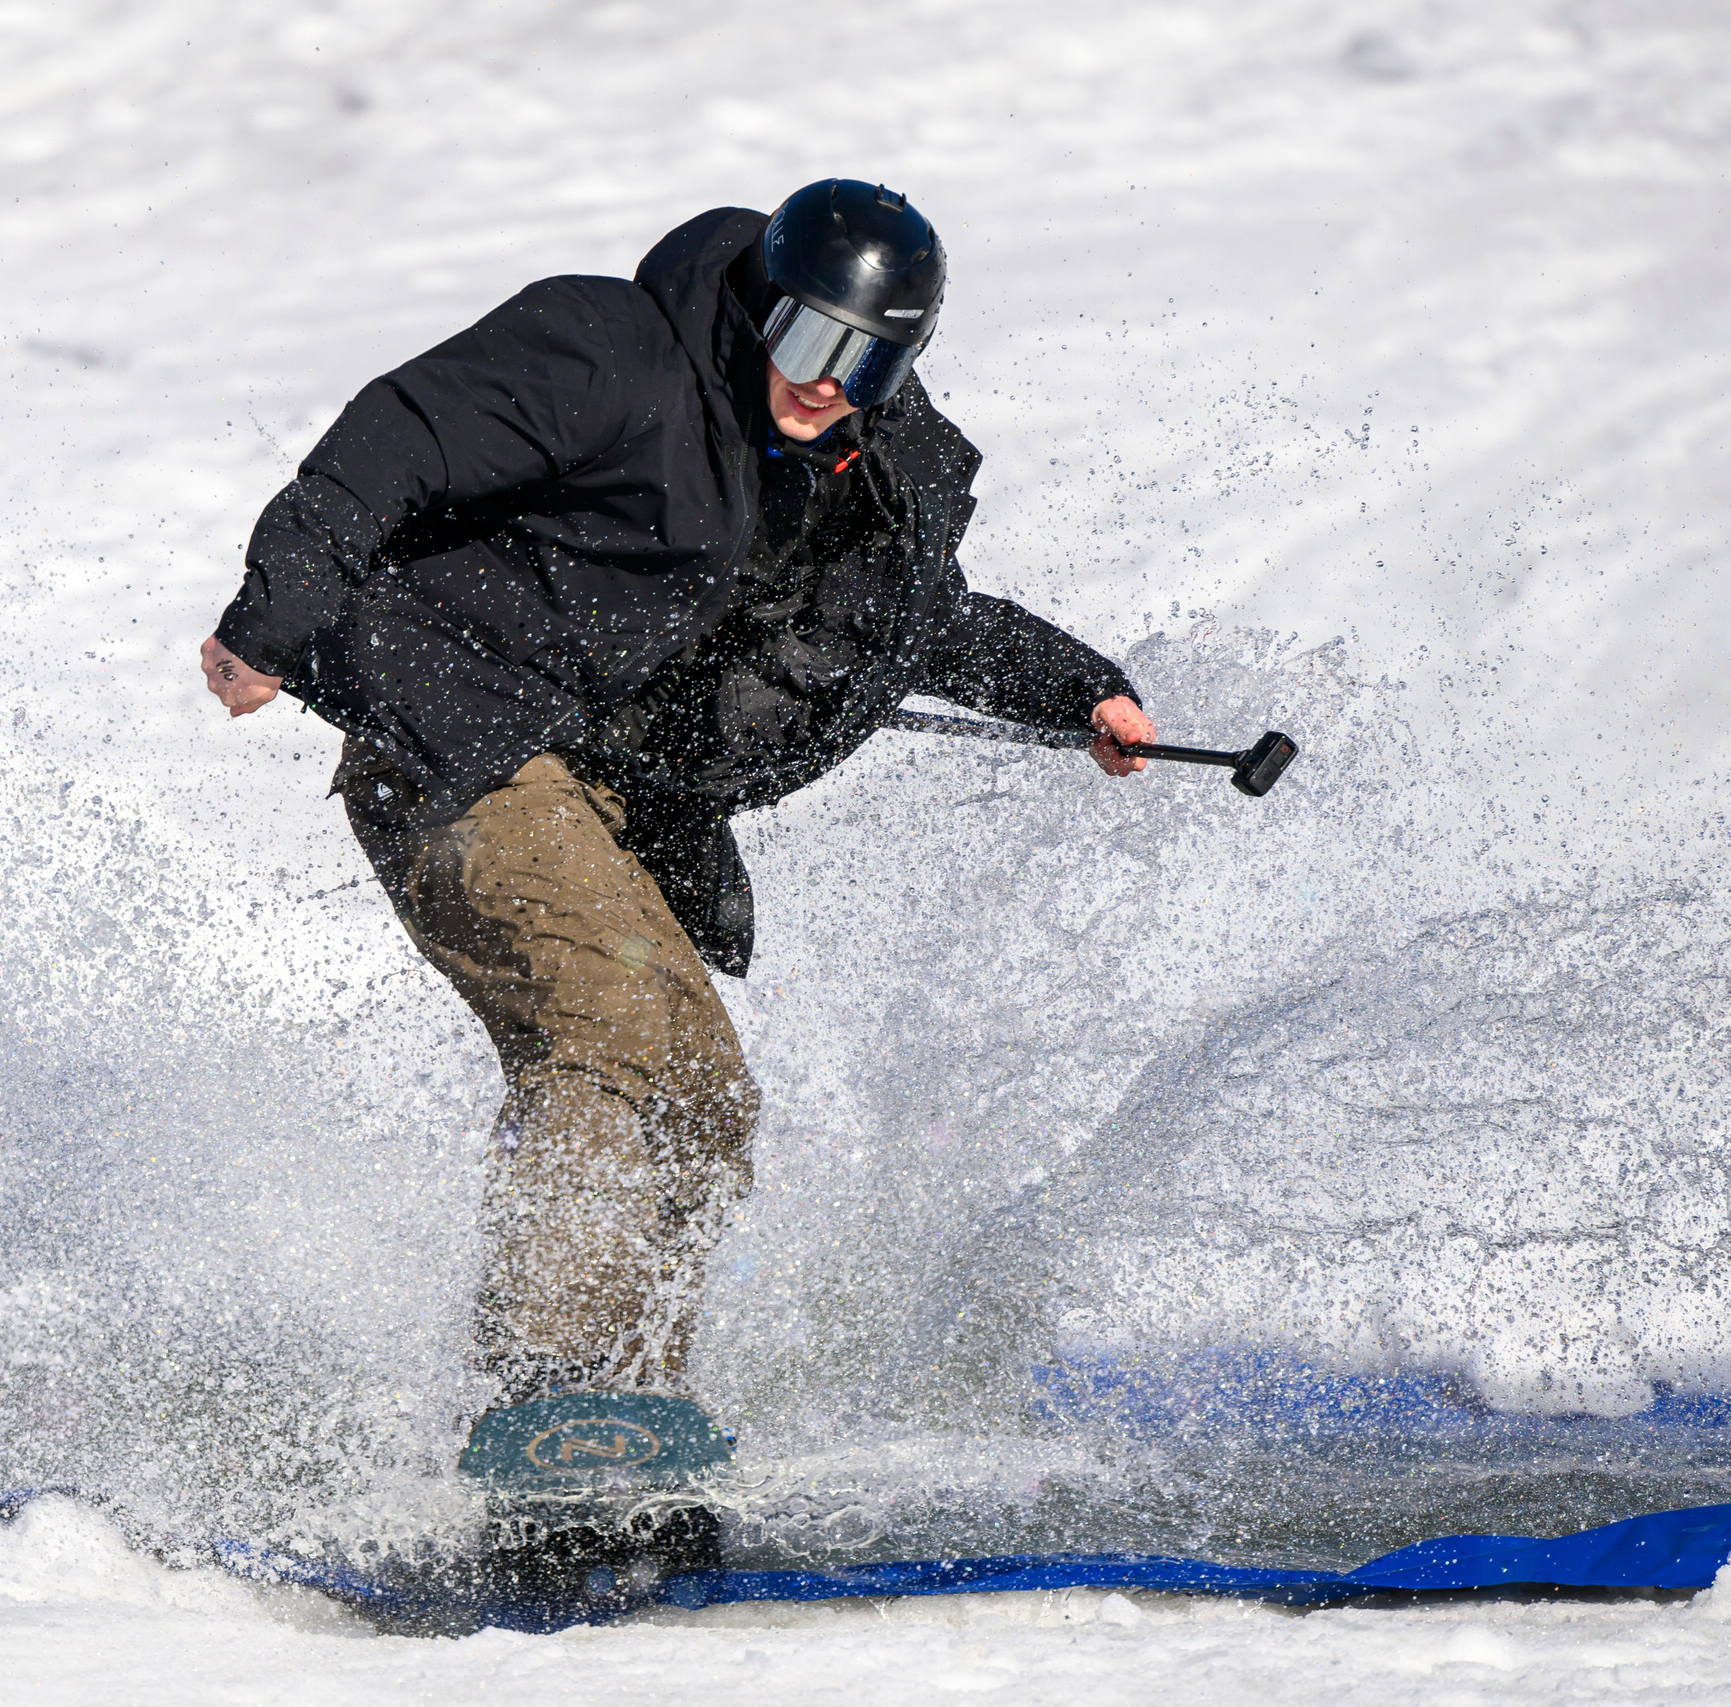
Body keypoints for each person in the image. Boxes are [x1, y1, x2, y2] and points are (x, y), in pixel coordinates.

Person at [201, 180, 1155, 1430]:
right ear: (762, 304)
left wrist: (1078, 693)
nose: (823, 383)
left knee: (705, 1092)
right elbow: (395, 442)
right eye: (807, 339)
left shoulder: (845, 468)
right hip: (464, 736)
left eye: (864, 362)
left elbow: (911, 628)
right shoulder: (609, 353)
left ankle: (636, 1420)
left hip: (605, 793)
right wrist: (268, 623)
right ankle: (549, 1393)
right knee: (604, 1024)